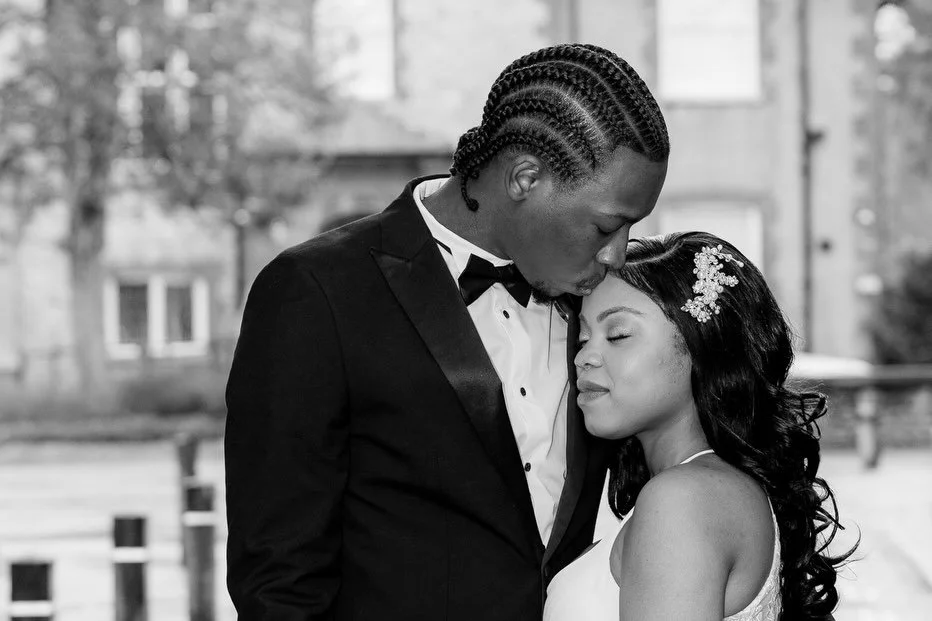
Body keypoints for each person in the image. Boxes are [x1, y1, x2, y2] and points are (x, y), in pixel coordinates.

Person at [224, 43, 669, 620]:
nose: (617, 254)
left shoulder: (607, 307)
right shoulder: (315, 291)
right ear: (525, 177)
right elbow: (278, 580)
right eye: (608, 225)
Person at [544, 232, 857, 621]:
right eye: (584, 336)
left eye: (618, 335)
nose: (584, 357)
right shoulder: (707, 488)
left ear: (701, 347)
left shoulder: (682, 500)